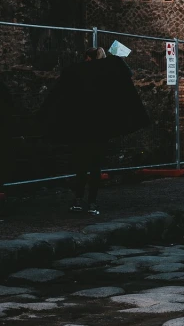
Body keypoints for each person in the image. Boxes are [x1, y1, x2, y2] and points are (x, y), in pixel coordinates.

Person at [42, 47, 149, 215]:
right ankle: (92, 202)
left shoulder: (77, 73)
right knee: (94, 167)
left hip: (80, 128)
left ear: (88, 58)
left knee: (81, 166)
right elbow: (126, 73)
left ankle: (78, 200)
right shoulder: (108, 75)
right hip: (100, 129)